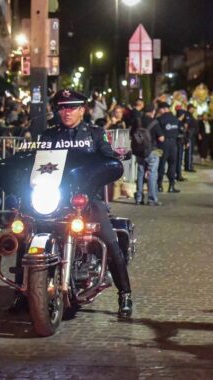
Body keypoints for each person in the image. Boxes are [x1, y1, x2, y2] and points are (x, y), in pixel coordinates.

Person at [19, 89, 133, 317]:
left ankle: (125, 294)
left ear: (82, 110)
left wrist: (112, 162)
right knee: (25, 232)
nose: (66, 112)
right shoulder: (48, 136)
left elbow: (108, 158)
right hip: (53, 198)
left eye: (71, 107)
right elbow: (34, 162)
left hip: (86, 199)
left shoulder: (95, 134)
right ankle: (23, 295)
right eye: (62, 107)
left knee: (110, 241)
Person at [131, 102, 163, 206]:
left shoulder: (138, 121)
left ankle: (139, 199)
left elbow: (132, 133)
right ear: (153, 111)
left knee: (140, 173)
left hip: (139, 151)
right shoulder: (155, 122)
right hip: (152, 151)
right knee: (152, 174)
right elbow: (161, 138)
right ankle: (152, 199)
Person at [156, 102, 181, 193]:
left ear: (162, 109)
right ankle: (171, 186)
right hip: (174, 144)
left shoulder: (159, 119)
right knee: (172, 164)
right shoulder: (175, 119)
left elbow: (156, 132)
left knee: (160, 164)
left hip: (162, 144)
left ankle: (159, 185)